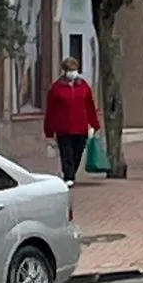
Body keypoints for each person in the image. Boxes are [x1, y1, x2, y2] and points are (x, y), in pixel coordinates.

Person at [42, 59, 101, 194]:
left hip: (81, 127)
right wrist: (49, 132)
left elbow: (90, 106)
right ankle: (68, 175)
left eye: (74, 69)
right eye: (70, 70)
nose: (72, 73)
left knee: (78, 152)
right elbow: (51, 110)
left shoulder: (83, 86)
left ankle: (71, 172)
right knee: (67, 153)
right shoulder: (56, 88)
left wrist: (94, 124)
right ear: (64, 71)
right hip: (64, 127)